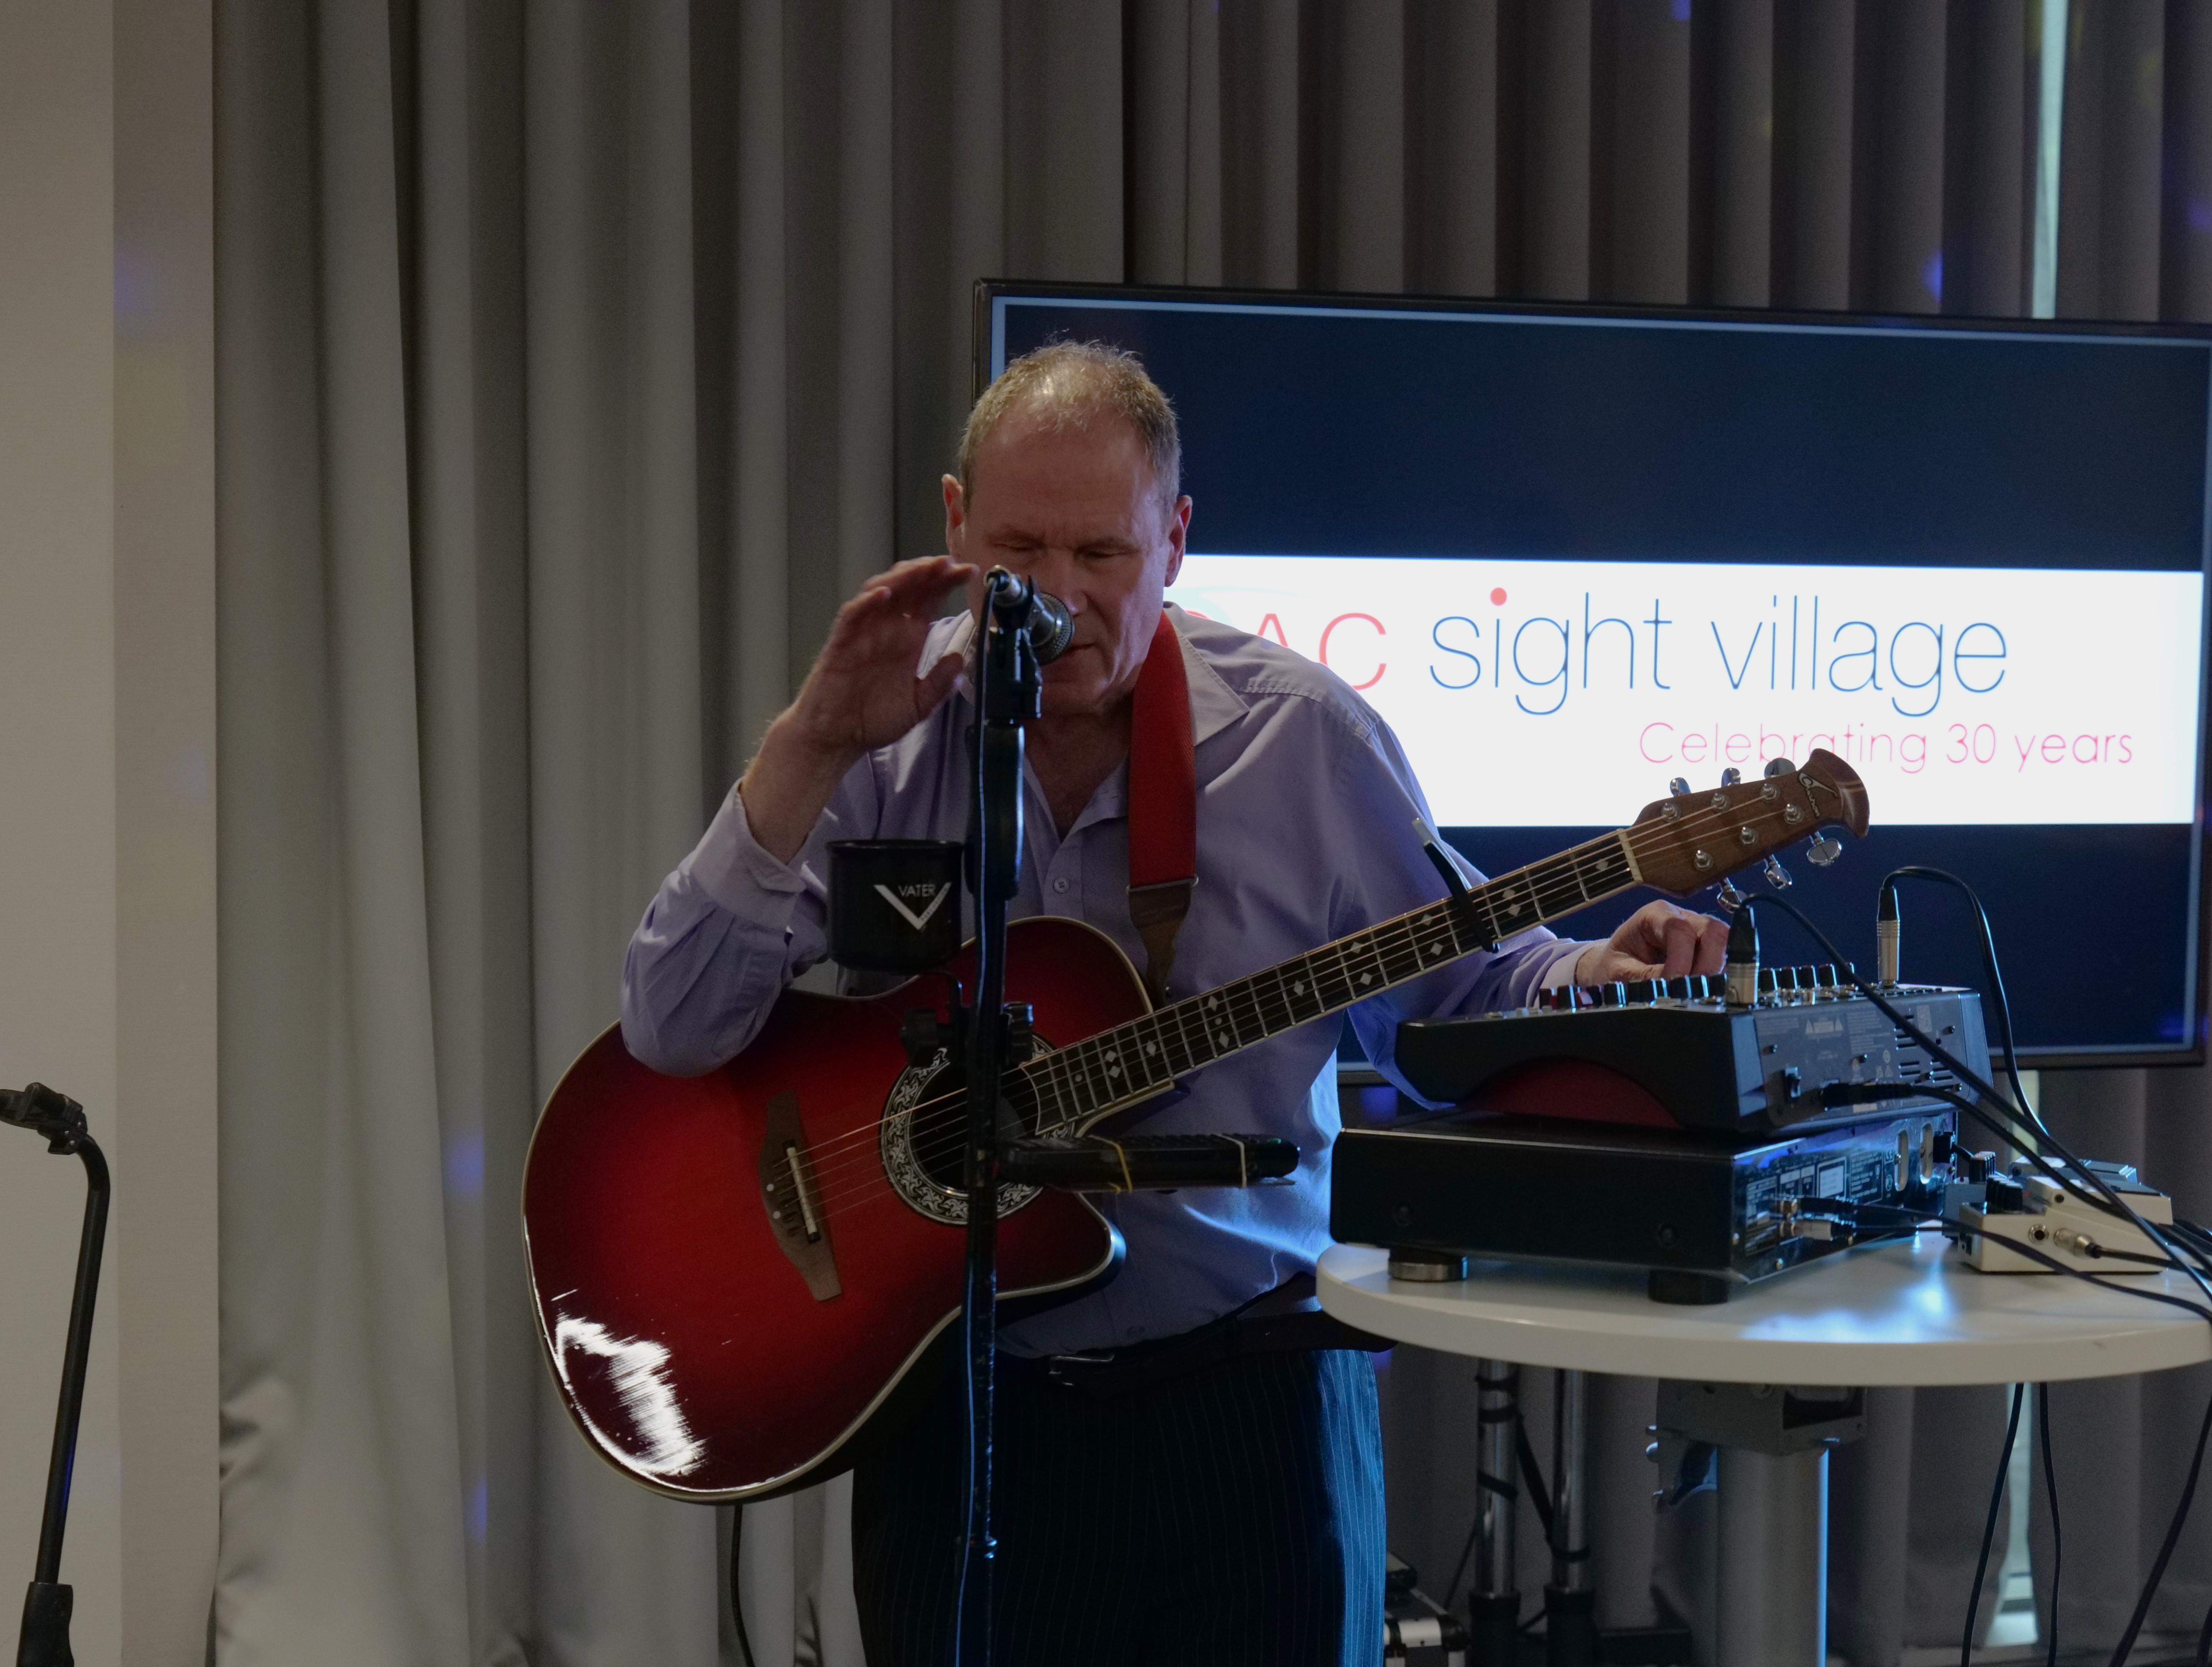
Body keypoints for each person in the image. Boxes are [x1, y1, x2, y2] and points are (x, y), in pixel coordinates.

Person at [621, 342, 1727, 1666]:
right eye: (1021, 551)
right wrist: (808, 742)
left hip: (1248, 1400)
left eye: (1105, 555)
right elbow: (672, 1026)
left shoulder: (1306, 740)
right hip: (964, 1413)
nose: (1064, 599)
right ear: (954, 523)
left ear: (1178, 541)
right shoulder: (879, 745)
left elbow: (1460, 1002)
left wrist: (1598, 976)